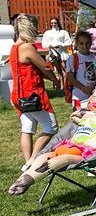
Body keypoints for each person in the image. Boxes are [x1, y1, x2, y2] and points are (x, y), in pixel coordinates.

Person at [8, 82, 96, 195]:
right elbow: (75, 117)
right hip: (67, 145)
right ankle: (21, 179)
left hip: (86, 154)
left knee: (63, 159)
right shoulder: (87, 115)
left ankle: (28, 180)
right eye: (94, 96)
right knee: (44, 156)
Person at [9, 14, 59, 163]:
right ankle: (32, 160)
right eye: (35, 27)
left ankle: (26, 163)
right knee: (51, 127)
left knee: (27, 127)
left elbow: (30, 70)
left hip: (18, 94)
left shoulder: (14, 47)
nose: (37, 31)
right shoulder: (26, 47)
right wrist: (54, 79)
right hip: (32, 94)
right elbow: (44, 67)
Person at [65, 31, 96, 110]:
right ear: (77, 44)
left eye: (87, 43)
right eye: (81, 43)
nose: (85, 46)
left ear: (91, 43)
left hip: (94, 95)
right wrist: (83, 88)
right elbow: (71, 77)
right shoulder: (73, 58)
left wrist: (93, 86)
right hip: (79, 96)